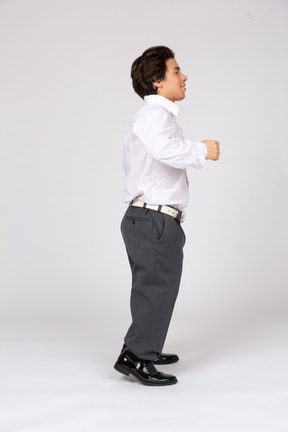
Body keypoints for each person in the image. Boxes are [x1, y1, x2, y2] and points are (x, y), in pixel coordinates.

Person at [114, 46, 220, 386]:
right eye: (176, 71)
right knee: (156, 288)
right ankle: (136, 356)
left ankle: (146, 346)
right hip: (153, 220)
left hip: (150, 219)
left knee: (156, 288)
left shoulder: (154, 116)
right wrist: (201, 149)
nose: (184, 76)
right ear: (158, 81)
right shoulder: (154, 116)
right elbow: (165, 150)